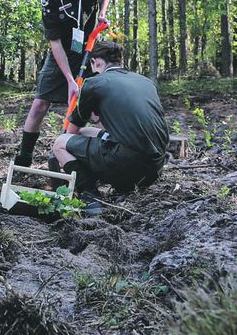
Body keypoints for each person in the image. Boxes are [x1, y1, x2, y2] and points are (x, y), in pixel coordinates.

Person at [15, 0, 113, 168]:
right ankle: (23, 158)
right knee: (40, 103)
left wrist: (102, 14)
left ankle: (109, 153)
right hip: (63, 51)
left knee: (98, 107)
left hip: (90, 47)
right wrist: (69, 80)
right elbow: (55, 42)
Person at [51, 40, 169, 215]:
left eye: (93, 65)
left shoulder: (94, 83)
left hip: (127, 164)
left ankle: (89, 196)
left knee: (60, 143)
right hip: (154, 168)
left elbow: (71, 133)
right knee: (87, 132)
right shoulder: (145, 81)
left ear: (95, 62)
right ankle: (117, 183)